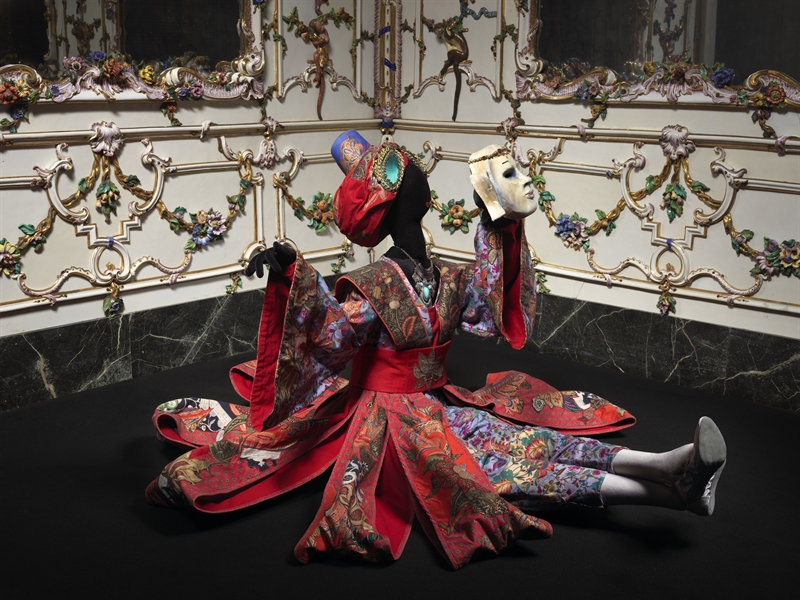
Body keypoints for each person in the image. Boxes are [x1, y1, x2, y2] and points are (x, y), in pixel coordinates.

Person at [145, 131, 726, 569]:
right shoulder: (371, 286)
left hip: (438, 401)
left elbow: (489, 309)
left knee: (525, 440)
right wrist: (293, 273)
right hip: (388, 420)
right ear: (404, 198)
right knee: (499, 471)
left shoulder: (444, 276)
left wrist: (499, 224)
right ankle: (673, 498)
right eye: (416, 174)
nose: (427, 179)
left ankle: (667, 466)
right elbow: (329, 338)